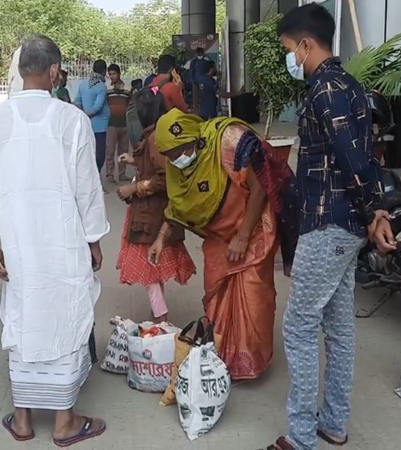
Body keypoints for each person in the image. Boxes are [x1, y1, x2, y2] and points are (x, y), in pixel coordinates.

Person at [266, 5, 396, 450]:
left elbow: (352, 158)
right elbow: (365, 154)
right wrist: (373, 212)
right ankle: (334, 425)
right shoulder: (350, 85)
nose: (291, 59)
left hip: (329, 224)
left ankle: (302, 438)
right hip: (345, 224)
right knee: (338, 327)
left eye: (289, 50)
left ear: (305, 44)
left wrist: (376, 210)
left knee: (300, 327)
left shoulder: (325, 89)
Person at [0, 35, 109, 447]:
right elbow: (87, 189)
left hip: (15, 242)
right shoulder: (72, 120)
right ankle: (64, 423)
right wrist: (94, 240)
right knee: (64, 316)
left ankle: (24, 420)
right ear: (54, 72)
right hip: (63, 242)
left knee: (23, 314)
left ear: (19, 69)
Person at [149, 108, 298, 381]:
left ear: (195, 139)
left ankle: (249, 362)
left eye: (179, 151)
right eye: (169, 155)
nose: (175, 159)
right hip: (219, 238)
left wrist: (242, 236)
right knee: (216, 294)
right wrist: (161, 237)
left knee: (253, 297)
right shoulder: (178, 169)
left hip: (252, 231)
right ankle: (222, 356)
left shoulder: (228, 141)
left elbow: (260, 187)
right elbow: (178, 205)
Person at [115, 89, 196, 323]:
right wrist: (134, 160)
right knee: (152, 267)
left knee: (148, 269)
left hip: (151, 214)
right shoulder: (156, 135)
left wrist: (133, 188)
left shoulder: (154, 138)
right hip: (151, 213)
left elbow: (164, 177)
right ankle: (158, 314)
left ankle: (160, 317)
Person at [75, 59, 110, 173]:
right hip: (100, 126)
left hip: (87, 125)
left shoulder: (83, 84)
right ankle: (97, 179)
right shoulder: (101, 86)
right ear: (104, 71)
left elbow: (77, 101)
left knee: (88, 153)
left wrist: (83, 115)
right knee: (100, 155)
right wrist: (87, 114)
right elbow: (98, 106)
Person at [105, 63, 132, 183]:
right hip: (111, 123)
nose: (112, 76)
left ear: (119, 74)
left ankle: (122, 174)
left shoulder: (127, 88)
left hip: (124, 123)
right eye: (110, 74)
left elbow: (131, 104)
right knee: (110, 150)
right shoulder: (106, 88)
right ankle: (110, 174)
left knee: (123, 150)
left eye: (114, 73)